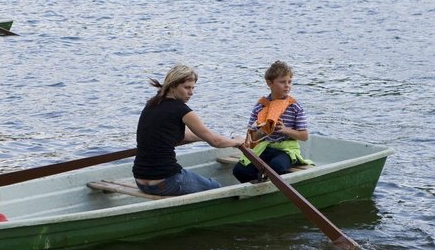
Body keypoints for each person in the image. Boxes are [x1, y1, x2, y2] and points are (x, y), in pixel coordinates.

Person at [133, 64, 243, 196]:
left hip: (140, 180)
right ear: (173, 86)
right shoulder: (181, 110)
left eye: (193, 88)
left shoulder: (152, 105)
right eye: (186, 88)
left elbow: (183, 134)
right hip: (166, 182)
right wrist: (237, 141)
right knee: (216, 188)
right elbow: (216, 142)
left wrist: (206, 136)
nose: (191, 93)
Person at [233, 60, 311, 183]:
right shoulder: (260, 106)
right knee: (240, 170)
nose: (287, 86)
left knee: (276, 167)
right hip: (265, 147)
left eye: (289, 82)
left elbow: (304, 136)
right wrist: (265, 130)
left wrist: (284, 130)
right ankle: (259, 187)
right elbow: (251, 137)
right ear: (270, 83)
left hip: (287, 150)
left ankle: (268, 186)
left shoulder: (295, 107)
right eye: (282, 82)